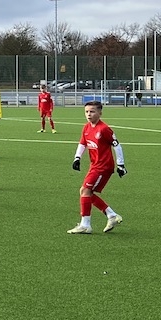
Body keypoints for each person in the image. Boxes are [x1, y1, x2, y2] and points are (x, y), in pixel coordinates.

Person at [67, 100, 126, 234]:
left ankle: (85, 225)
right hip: (94, 165)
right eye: (87, 112)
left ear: (100, 113)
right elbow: (83, 143)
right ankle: (111, 215)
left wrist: (121, 164)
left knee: (85, 191)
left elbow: (117, 145)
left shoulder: (104, 129)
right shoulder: (86, 127)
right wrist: (77, 157)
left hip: (103, 166)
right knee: (85, 192)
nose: (89, 114)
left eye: (92, 111)